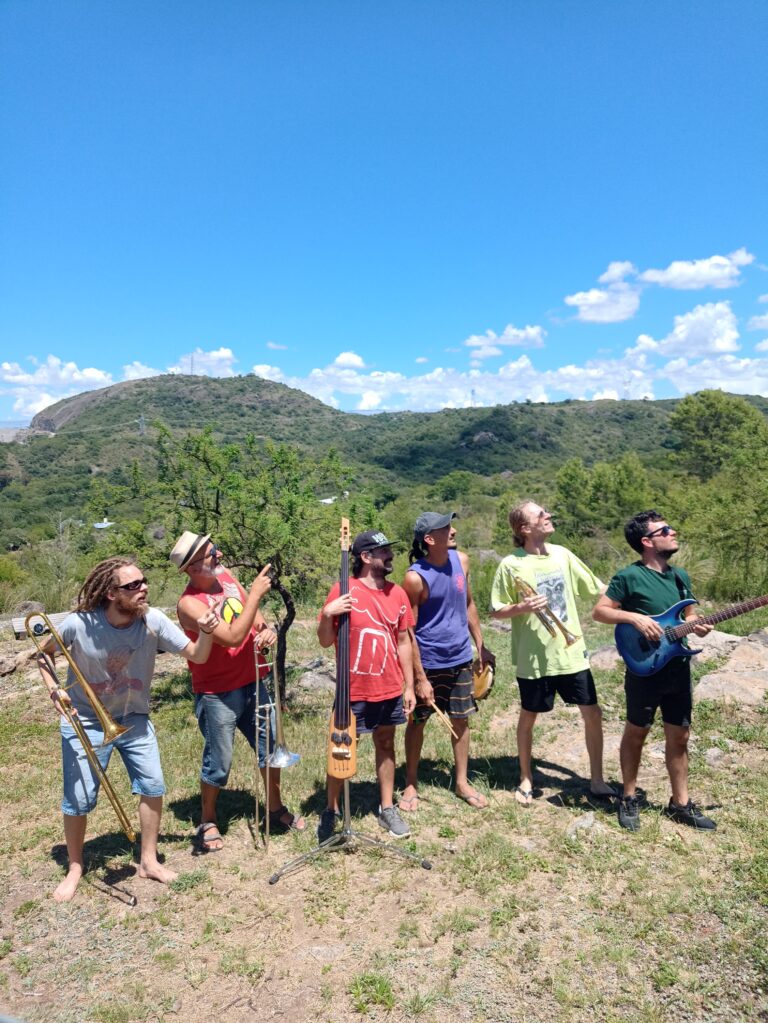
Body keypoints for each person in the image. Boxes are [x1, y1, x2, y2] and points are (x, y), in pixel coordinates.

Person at [37, 556, 219, 902]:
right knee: (78, 799)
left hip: (134, 718)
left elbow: (196, 655)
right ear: (110, 592)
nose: (143, 588)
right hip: (87, 720)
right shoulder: (79, 624)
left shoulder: (152, 620)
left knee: (152, 785)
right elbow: (43, 655)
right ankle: (76, 866)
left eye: (144, 581)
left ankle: (148, 860)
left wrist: (207, 633)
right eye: (132, 585)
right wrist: (54, 688)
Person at [173, 531, 306, 851]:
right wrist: (259, 594)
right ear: (191, 568)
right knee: (219, 760)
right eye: (209, 554)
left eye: (215, 549)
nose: (218, 556)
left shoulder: (227, 578)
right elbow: (232, 636)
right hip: (217, 692)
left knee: (270, 748)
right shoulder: (189, 605)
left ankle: (275, 810)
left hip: (254, 681)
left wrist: (266, 631)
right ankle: (208, 819)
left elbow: (253, 617)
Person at [592, 511, 716, 831]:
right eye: (665, 530)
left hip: (678, 667)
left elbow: (689, 614)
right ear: (647, 541)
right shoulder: (628, 577)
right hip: (645, 669)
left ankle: (681, 804)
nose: (673, 532)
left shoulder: (680, 576)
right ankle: (629, 797)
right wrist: (634, 618)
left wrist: (696, 626)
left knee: (681, 735)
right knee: (637, 732)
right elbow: (601, 612)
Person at [490, 500, 615, 805]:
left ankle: (597, 779)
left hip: (570, 654)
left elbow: (599, 590)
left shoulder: (563, 555)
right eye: (541, 515)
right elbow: (495, 611)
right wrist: (520, 607)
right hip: (534, 659)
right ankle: (525, 777)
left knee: (592, 713)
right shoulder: (511, 564)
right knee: (529, 716)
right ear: (524, 528)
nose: (548, 517)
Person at [317, 530, 416, 841]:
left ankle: (387, 807)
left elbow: (403, 641)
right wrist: (326, 613)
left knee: (386, 744)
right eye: (383, 551)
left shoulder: (397, 593)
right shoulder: (343, 590)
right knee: (342, 749)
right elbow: (324, 640)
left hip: (388, 688)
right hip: (353, 689)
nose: (390, 556)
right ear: (365, 557)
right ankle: (331, 810)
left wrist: (409, 686)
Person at [401, 512, 494, 811]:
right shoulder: (415, 577)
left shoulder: (461, 561)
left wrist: (481, 645)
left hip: (460, 658)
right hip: (428, 662)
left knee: (461, 719)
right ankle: (411, 783)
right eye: (445, 528)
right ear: (430, 539)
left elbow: (468, 603)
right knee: (417, 722)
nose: (453, 530)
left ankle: (462, 781)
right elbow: (409, 631)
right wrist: (418, 678)